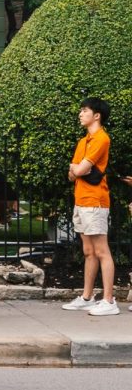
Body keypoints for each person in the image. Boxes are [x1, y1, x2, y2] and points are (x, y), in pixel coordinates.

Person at [62, 97, 117, 316]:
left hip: (95, 200)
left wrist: (77, 169)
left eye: (84, 110)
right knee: (88, 250)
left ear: (97, 115)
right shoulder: (83, 141)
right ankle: (87, 296)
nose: (80, 114)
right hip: (81, 199)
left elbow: (80, 169)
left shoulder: (101, 138)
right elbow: (72, 174)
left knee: (101, 250)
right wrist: (77, 169)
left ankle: (109, 300)